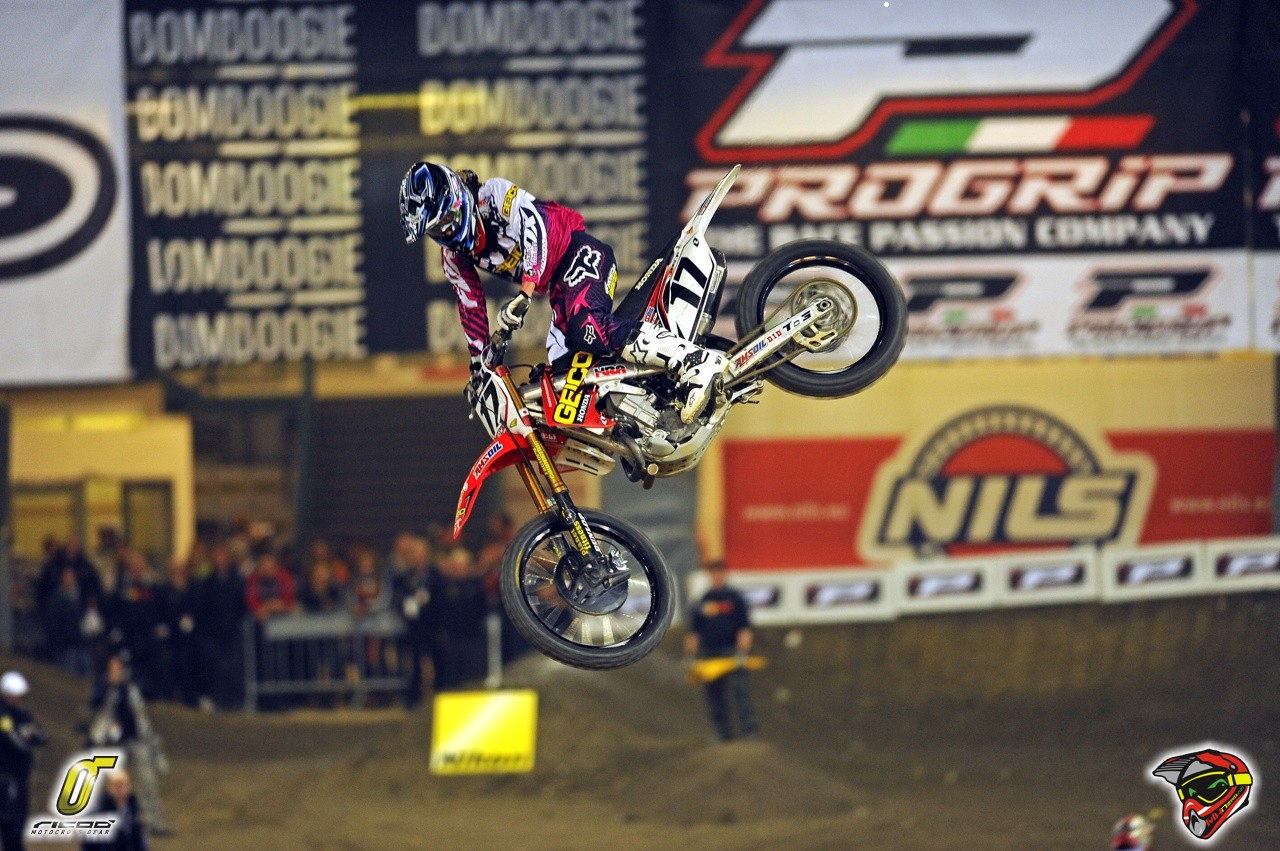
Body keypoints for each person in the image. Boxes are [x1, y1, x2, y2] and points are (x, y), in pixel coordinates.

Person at [398, 161, 727, 424]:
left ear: (457, 196)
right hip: (559, 287)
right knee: (565, 377)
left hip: (581, 253)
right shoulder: (453, 257)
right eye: (437, 230)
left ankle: (693, 361)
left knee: (587, 327)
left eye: (447, 219)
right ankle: (640, 414)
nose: (448, 232)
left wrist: (526, 292)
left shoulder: (493, 196)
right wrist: (478, 369)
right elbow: (470, 306)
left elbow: (536, 229)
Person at [88, 656, 168, 836]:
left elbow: (142, 715)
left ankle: (156, 824)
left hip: (136, 740)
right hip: (113, 744)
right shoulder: (105, 689)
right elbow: (95, 706)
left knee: (147, 783)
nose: (115, 673)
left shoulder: (131, 689)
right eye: (112, 669)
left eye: (118, 669)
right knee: (114, 786)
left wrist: (151, 742)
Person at [684, 561, 759, 743]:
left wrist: (742, 652)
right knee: (714, 697)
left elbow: (744, 628)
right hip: (709, 655)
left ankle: (749, 732)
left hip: (731, 653)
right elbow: (694, 631)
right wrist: (690, 656)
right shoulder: (703, 600)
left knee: (740, 693)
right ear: (710, 575)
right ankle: (722, 734)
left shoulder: (735, 599)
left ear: (725, 574)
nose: (717, 576)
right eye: (713, 573)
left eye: (720, 572)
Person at [0, 671, 47, 851]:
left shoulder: (22, 713)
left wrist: (32, 734)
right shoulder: (3, 715)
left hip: (21, 777)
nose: (19, 699)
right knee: (9, 822)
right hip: (6, 776)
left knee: (19, 821)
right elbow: (14, 740)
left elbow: (41, 735)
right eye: (15, 695)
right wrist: (26, 737)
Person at [81, 769, 147, 850]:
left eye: (126, 785)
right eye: (118, 786)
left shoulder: (133, 809)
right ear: (109, 788)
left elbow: (139, 840)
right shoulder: (96, 815)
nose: (123, 790)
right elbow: (88, 847)